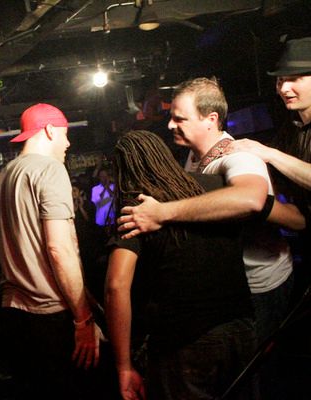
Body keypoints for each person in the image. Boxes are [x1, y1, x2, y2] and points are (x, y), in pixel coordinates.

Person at [117, 77, 304, 343]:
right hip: (229, 284)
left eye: (180, 119)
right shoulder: (194, 156)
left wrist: (162, 213)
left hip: (259, 287)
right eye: (172, 117)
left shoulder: (237, 157)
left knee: (252, 361)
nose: (170, 125)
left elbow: (250, 199)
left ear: (211, 119)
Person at [106, 130, 256, 400]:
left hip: (184, 340)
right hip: (240, 327)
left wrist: (123, 366)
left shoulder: (139, 207)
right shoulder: (215, 185)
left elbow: (116, 285)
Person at [0, 103, 104, 398]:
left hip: (13, 312)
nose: (68, 143)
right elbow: (58, 248)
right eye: (65, 134)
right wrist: (83, 318)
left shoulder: (1, 179)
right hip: (51, 315)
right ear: (50, 130)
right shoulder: (50, 169)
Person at [227, 37, 311, 268]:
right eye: (280, 80)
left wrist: (270, 154)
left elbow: (273, 156)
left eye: (294, 79)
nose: (284, 88)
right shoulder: (292, 126)